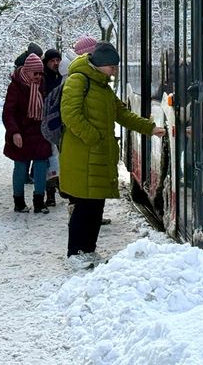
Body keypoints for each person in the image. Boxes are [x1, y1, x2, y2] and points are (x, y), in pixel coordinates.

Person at [59, 41, 163, 269]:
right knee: (84, 206)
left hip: (98, 156)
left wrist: (151, 128)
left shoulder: (103, 86)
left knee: (96, 205)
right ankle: (76, 252)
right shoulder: (78, 80)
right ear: (101, 64)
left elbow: (122, 114)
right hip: (82, 156)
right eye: (112, 67)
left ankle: (88, 250)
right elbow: (70, 114)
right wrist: (93, 137)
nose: (115, 71)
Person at [3, 52, 53, 214]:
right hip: (21, 134)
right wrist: (14, 132)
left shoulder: (43, 85)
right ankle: (19, 202)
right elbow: (8, 113)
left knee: (40, 167)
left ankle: (39, 202)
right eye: (35, 73)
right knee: (20, 167)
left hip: (39, 133)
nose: (38, 77)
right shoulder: (16, 87)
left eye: (40, 73)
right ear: (27, 71)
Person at [41, 48, 64, 206]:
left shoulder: (62, 77)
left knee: (60, 157)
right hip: (49, 122)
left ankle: (62, 186)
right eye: (52, 61)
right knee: (50, 159)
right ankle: (50, 193)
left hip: (60, 121)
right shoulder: (43, 79)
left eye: (57, 60)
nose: (55, 63)